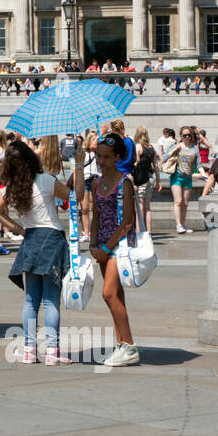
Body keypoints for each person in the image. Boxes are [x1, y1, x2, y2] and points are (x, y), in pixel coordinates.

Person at [0, 139, 77, 365]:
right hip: (51, 239)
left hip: (30, 239)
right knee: (50, 300)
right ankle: (52, 351)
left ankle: (29, 349)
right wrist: (76, 170)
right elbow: (74, 197)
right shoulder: (46, 180)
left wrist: (17, 227)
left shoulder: (11, 186)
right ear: (31, 158)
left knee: (30, 299)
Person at [84, 132, 140, 367]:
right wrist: (94, 243)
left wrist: (107, 248)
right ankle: (121, 343)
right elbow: (95, 214)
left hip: (119, 244)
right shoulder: (96, 182)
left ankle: (129, 346)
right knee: (116, 296)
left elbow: (128, 220)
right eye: (98, 156)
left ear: (118, 157)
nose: (101, 161)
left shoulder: (124, 181)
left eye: (106, 157)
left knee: (108, 293)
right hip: (103, 245)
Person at [169, 127, 202, 234]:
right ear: (181, 136)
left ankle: (183, 224)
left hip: (188, 178)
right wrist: (174, 150)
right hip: (177, 176)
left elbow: (199, 164)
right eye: (184, 135)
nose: (187, 137)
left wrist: (204, 174)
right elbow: (164, 158)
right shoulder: (177, 146)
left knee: (186, 203)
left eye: (189, 135)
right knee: (178, 201)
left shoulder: (195, 148)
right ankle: (178, 225)